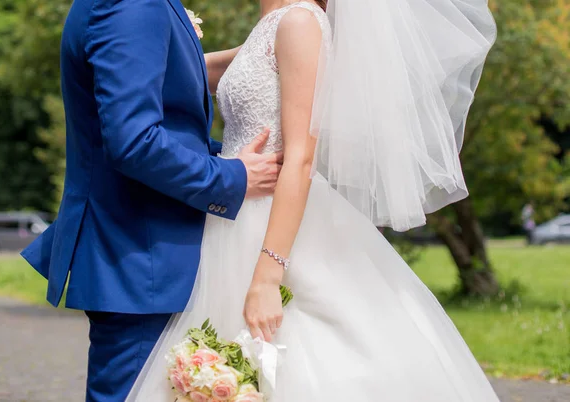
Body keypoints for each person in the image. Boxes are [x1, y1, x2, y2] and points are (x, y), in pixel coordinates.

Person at [129, 0, 501, 401]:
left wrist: (268, 278)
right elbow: (194, 70)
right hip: (235, 219)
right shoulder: (273, 26)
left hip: (271, 226)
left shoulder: (300, 23)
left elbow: (301, 158)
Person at [20, 0, 283, 400]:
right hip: (141, 257)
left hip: (149, 256)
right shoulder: (131, 3)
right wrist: (233, 176)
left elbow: (169, 114)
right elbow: (134, 142)